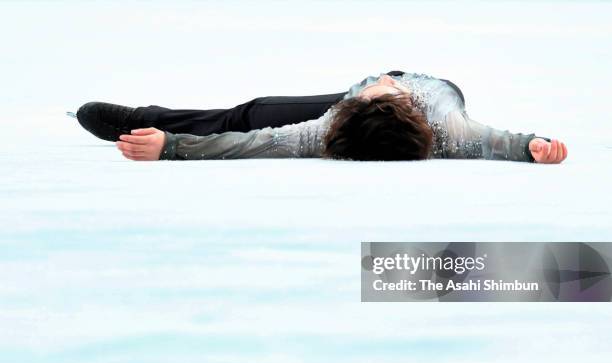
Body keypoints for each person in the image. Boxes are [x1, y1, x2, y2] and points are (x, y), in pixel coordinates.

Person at [74, 70, 567, 164]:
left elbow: (251, 144)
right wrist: (535, 148)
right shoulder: (454, 127)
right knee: (255, 113)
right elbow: (506, 142)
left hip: (409, 108)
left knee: (255, 118)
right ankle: (147, 117)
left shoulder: (324, 132)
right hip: (413, 92)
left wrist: (172, 147)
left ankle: (145, 120)